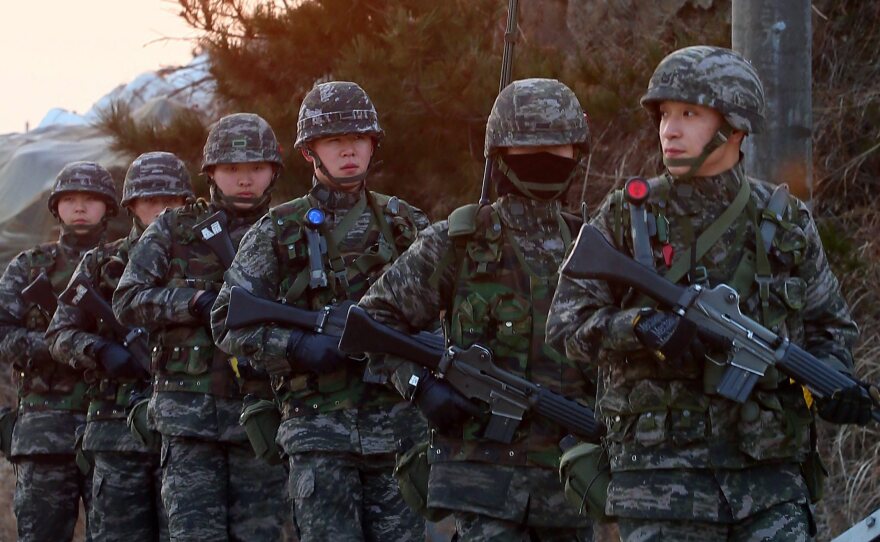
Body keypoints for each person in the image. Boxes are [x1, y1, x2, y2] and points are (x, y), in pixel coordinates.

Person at [547, 46, 873, 541]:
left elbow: (829, 326)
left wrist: (835, 384)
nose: (669, 130)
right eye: (664, 115)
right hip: (660, 484)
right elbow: (566, 325)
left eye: (689, 114)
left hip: (768, 482)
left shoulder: (785, 221)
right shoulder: (625, 215)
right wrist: (638, 327)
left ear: (734, 126)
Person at [357, 78, 595, 541]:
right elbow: (372, 321)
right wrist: (420, 386)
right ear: (502, 156)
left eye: (557, 148)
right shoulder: (460, 240)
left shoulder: (592, 244)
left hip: (567, 482)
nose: (545, 160)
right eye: (529, 150)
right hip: (480, 482)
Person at [211, 81, 430, 541]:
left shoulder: (409, 224)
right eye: (334, 140)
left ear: (373, 145)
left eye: (358, 139)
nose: (348, 150)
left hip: (398, 436)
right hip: (317, 436)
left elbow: (452, 314)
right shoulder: (278, 229)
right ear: (311, 152)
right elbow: (227, 319)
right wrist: (295, 345)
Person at [112, 114, 288, 541]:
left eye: (255, 168)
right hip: (188, 422)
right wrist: (191, 302)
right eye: (232, 169)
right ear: (211, 174)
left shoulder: (291, 230)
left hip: (261, 420)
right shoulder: (174, 229)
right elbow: (127, 300)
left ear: (273, 172)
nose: (245, 179)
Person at [46, 151, 194, 541]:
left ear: (185, 203)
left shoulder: (205, 261)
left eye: (170, 202)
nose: (161, 211)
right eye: (150, 202)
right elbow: (58, 335)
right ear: (131, 206)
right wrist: (99, 351)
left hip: (188, 435)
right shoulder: (100, 262)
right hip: (115, 435)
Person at [0, 161, 119, 541]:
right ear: (57, 208)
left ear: (108, 207)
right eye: (70, 199)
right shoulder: (30, 267)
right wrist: (65, 345)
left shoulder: (127, 262)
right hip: (45, 430)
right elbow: (3, 333)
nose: (80, 207)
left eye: (90, 199)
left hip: (115, 428)